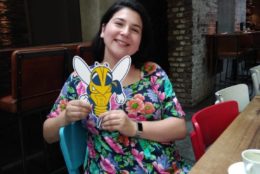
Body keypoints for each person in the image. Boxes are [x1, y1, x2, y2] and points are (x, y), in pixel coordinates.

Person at [43, 0, 191, 173]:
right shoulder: (78, 80)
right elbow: (48, 134)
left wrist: (134, 127)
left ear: (139, 42)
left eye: (135, 29)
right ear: (103, 30)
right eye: (119, 23)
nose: (126, 32)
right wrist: (65, 117)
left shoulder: (153, 73)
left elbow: (180, 128)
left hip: (167, 168)